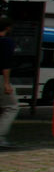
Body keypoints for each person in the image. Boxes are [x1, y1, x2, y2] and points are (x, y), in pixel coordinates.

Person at [0, 18, 17, 149]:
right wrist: (6, 83)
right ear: (7, 28)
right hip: (0, 78)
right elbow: (6, 64)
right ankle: (0, 136)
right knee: (12, 106)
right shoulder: (6, 42)